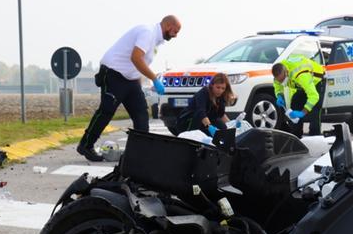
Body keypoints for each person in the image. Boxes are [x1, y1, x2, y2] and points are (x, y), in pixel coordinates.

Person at [76, 15, 182, 161]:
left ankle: (139, 152)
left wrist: (138, 82)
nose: (175, 35)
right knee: (106, 111)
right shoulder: (148, 32)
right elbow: (136, 58)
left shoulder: (156, 41)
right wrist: (154, 79)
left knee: (141, 114)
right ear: (169, 26)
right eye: (176, 31)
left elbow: (139, 63)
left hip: (131, 79)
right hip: (114, 73)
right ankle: (85, 145)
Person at [272, 55, 326, 137]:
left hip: (317, 80)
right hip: (301, 84)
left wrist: (303, 112)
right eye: (279, 81)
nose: (282, 83)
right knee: (295, 103)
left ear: (287, 72)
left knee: (315, 109)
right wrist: (279, 95)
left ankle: (315, 136)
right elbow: (277, 86)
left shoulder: (301, 75)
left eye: (283, 80)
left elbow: (314, 96)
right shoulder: (278, 73)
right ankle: (296, 135)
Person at [172, 73, 236, 137]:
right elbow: (201, 112)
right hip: (190, 121)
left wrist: (232, 124)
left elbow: (221, 114)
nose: (220, 91)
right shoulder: (204, 93)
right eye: (218, 87)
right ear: (212, 85)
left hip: (206, 120)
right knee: (204, 127)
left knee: (223, 129)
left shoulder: (221, 96)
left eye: (223, 88)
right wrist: (209, 127)